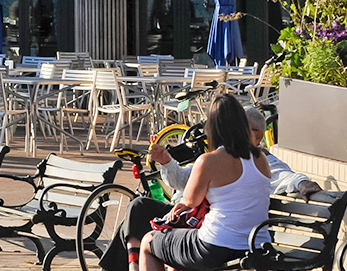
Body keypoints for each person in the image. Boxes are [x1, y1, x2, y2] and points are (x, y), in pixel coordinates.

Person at [100, 105, 323, 271]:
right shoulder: (251, 159)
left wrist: (302, 183)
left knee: (151, 238)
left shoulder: (260, 158)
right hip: (216, 228)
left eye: (255, 130)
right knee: (139, 206)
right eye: (246, 127)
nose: (251, 133)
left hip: (210, 233)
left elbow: (286, 176)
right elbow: (185, 181)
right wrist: (167, 162)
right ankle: (130, 264)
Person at [139, 93, 272, 271]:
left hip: (215, 245)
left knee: (148, 242)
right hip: (257, 244)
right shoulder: (260, 158)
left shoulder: (208, 161)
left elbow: (190, 200)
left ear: (213, 127)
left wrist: (183, 204)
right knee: (180, 249)